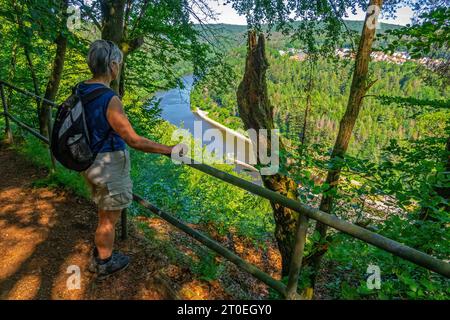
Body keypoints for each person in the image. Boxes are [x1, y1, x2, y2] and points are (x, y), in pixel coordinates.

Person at [79, 39, 178, 279]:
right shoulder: (109, 99)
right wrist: (169, 149)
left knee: (104, 214)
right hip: (108, 165)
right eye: (119, 64)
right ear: (112, 65)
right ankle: (104, 262)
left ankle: (101, 252)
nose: (119, 68)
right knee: (107, 220)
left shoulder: (82, 88)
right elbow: (133, 140)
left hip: (88, 160)